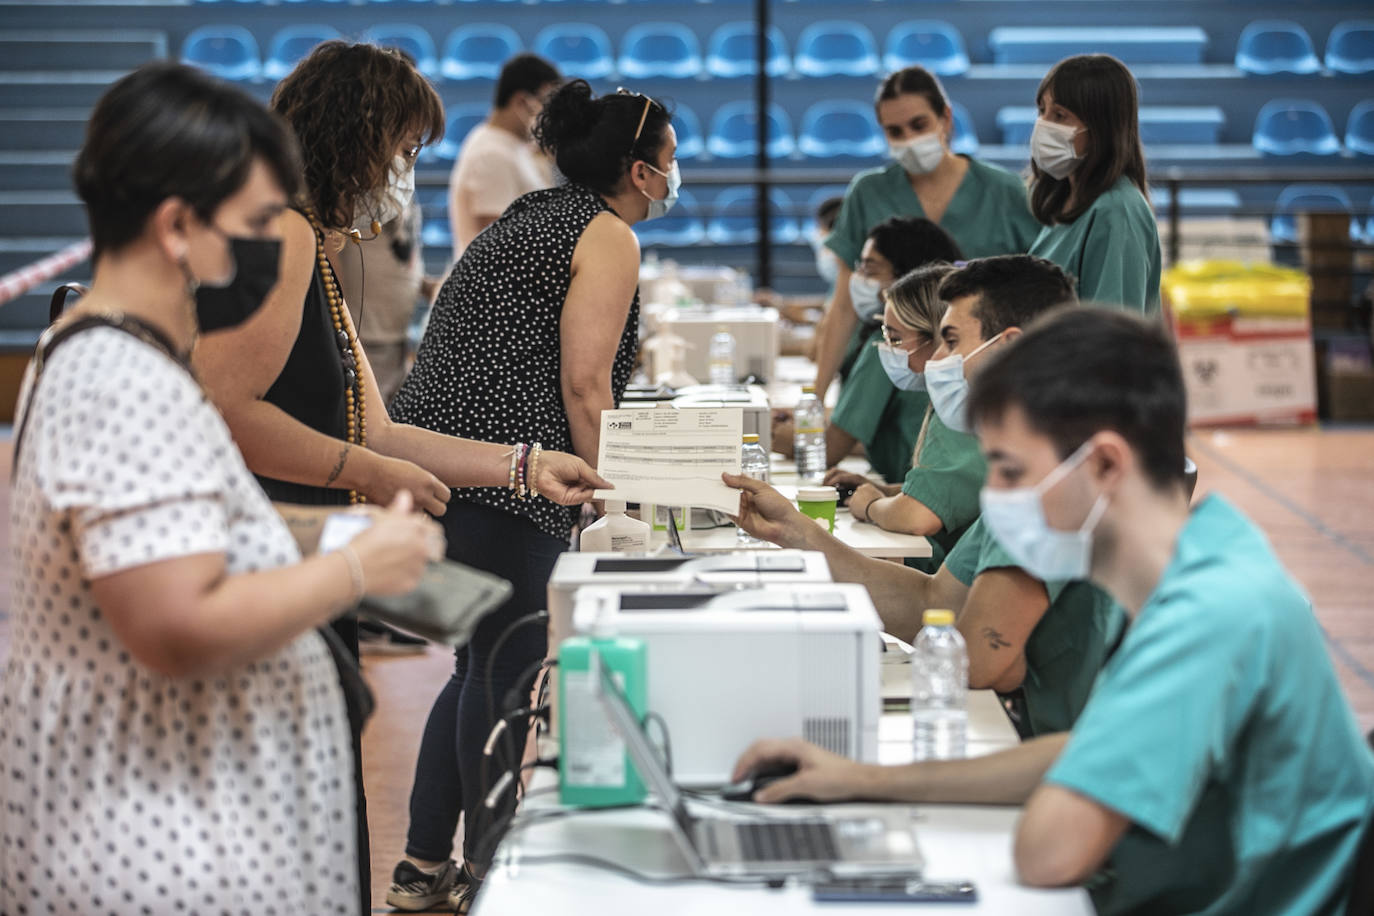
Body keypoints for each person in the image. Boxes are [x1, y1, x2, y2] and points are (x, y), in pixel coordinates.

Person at [731, 309, 1374, 913]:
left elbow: (1047, 852)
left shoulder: (1211, 614)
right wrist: (861, 780)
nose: (995, 498)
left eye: (1011, 471)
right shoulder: (1206, 558)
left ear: (1102, 465)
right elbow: (1092, 749)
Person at [0, 62, 443, 916]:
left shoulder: (131, 362)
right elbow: (176, 623)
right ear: (179, 228)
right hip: (158, 852)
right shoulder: (118, 382)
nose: (277, 243)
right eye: (258, 222)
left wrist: (330, 537)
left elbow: (187, 536)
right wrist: (358, 567)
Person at [191, 42, 607, 911]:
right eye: (405, 149)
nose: (407, 172)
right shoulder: (286, 236)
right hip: (273, 565)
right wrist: (367, 472)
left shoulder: (319, 247)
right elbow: (228, 408)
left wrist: (525, 467)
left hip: (308, 569)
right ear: (358, 136)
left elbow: (382, 427)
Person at [385, 80, 675, 911]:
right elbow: (586, 387)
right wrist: (617, 507)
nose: (675, 172)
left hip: (451, 459)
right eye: (671, 158)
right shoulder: (606, 232)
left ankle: (421, 867)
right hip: (503, 470)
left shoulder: (533, 215)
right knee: (505, 668)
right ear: (638, 169)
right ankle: (489, 872)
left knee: (475, 662)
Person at [729, 265, 1117, 740]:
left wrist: (990, 642)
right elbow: (934, 603)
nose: (940, 359)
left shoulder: (1054, 483)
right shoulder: (1031, 469)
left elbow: (979, 663)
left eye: (952, 341)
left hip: (1054, 747)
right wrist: (795, 532)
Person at [812, 66, 1041, 399]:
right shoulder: (869, 192)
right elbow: (844, 306)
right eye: (895, 131)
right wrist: (815, 398)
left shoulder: (1003, 192)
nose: (909, 140)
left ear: (945, 119)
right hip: (896, 376)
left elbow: (1038, 293)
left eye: (919, 125)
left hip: (978, 378)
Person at [846, 256, 1076, 573]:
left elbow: (918, 518)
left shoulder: (968, 413)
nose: (938, 358)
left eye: (950, 341)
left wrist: (870, 507)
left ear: (1009, 345)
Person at [773, 217, 963, 484]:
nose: (857, 279)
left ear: (905, 277)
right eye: (857, 268)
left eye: (870, 270)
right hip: (910, 486)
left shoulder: (893, 344)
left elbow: (831, 448)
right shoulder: (918, 341)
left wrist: (779, 438)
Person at [1025, 54, 1162, 313]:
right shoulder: (1066, 204)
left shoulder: (1116, 211)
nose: (1043, 125)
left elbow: (1110, 336)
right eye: (1042, 111)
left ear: (1101, 127)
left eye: (1060, 115)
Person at [448, 53, 561, 259]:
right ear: (521, 101)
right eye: (545, 103)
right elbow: (497, 243)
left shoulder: (515, 147)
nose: (549, 114)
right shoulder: (491, 153)